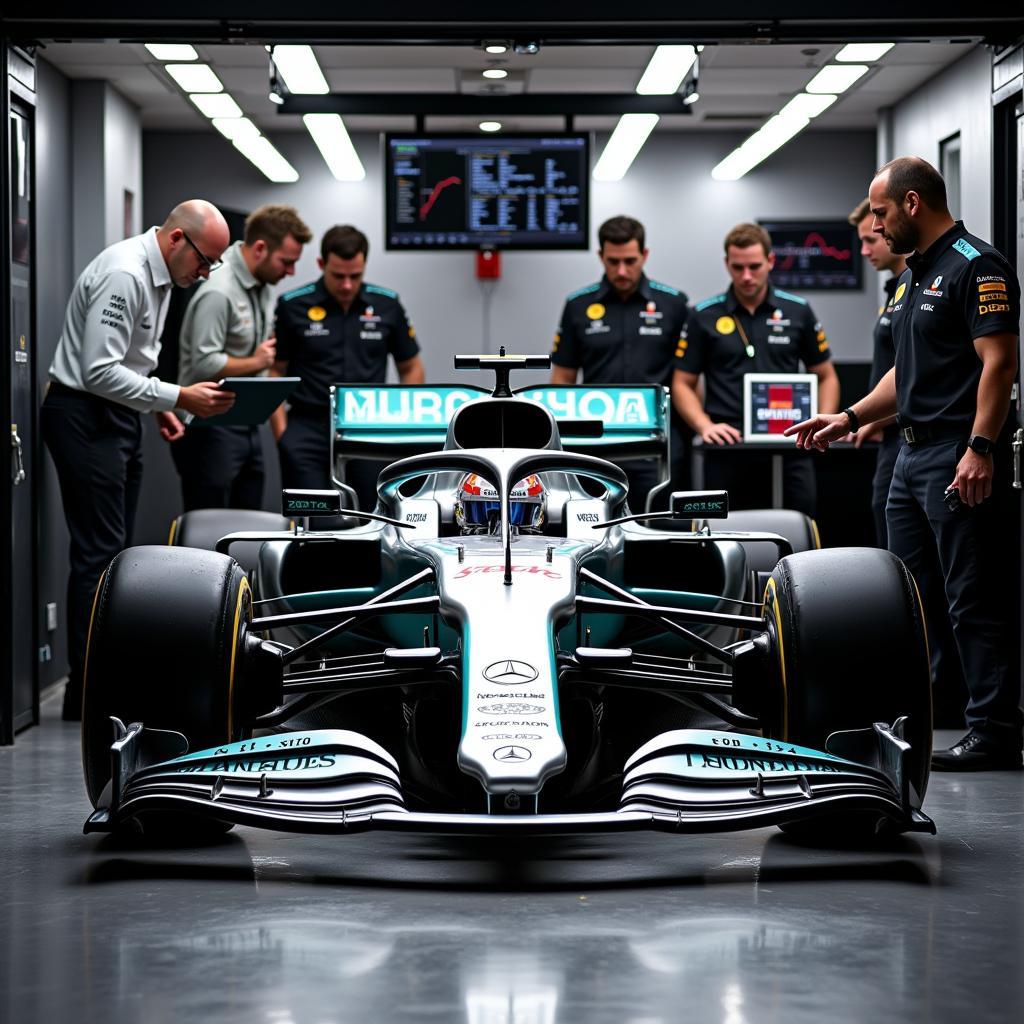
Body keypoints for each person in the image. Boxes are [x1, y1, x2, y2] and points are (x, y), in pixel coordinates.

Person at [786, 156, 1022, 771]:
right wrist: (851, 418)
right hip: (909, 457)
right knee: (907, 600)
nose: (878, 227)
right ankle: (917, 717)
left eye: (883, 213)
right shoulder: (914, 275)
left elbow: (998, 363)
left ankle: (995, 728)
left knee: (972, 595)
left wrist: (981, 447)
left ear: (913, 204)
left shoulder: (977, 265)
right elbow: (904, 374)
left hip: (955, 453)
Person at [41, 200, 236, 720]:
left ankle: (101, 683)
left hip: (116, 415)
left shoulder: (164, 275)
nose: (206, 272)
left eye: (214, 264)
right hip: (84, 414)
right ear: (176, 239)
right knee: (98, 555)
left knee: (112, 554)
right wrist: (178, 398)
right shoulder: (126, 274)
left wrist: (154, 410)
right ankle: (89, 694)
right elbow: (98, 370)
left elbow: (130, 362)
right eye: (204, 260)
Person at [671, 223, 840, 517]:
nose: (746, 276)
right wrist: (704, 426)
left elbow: (826, 376)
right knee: (729, 533)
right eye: (738, 267)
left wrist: (823, 426)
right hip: (728, 446)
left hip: (790, 442)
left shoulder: (797, 310)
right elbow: (683, 382)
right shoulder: (702, 315)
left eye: (754, 266)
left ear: (770, 261)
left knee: (800, 526)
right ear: (727, 264)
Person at [273, 225, 424, 511]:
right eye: (338, 276)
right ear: (321, 264)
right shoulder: (292, 305)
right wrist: (283, 436)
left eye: (355, 276)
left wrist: (402, 423)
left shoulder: (387, 304)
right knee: (313, 521)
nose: (346, 285)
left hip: (368, 426)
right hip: (308, 426)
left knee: (373, 517)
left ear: (364, 266)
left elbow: (411, 366)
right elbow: (275, 371)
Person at [172, 204, 312, 511]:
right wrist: (257, 362)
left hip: (244, 423)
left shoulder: (261, 284)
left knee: (247, 521)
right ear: (260, 248)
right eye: (286, 262)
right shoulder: (218, 290)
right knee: (208, 528)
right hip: (208, 427)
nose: (290, 272)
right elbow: (203, 364)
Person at [550, 215, 691, 511]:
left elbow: (687, 380)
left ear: (645, 255)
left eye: (630, 260)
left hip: (658, 443)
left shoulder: (674, 304)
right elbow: (562, 379)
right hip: (594, 444)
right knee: (593, 526)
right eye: (613, 262)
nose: (622, 270)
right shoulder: (579, 305)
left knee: (660, 532)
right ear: (601, 256)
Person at [848, 197, 906, 547]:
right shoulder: (894, 290)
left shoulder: (916, 286)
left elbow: (916, 372)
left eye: (870, 239)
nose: (865, 250)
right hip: (886, 433)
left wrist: (868, 418)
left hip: (904, 434)